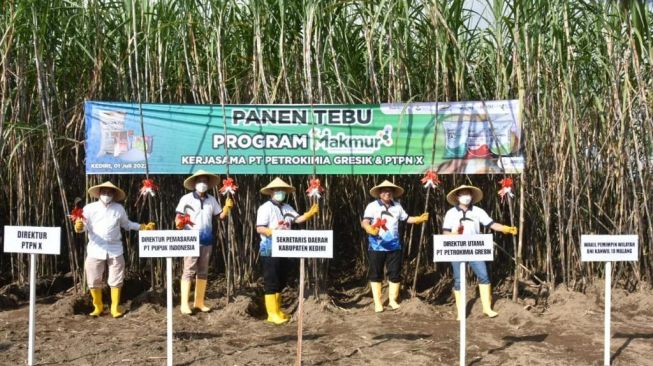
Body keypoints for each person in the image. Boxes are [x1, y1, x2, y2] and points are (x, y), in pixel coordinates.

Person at [74, 181, 155, 318]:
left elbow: (126, 224)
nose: (106, 195)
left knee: (116, 279)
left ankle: (115, 307)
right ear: (99, 193)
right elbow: (84, 226)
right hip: (95, 248)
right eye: (104, 192)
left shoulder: (119, 209)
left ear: (114, 194)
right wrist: (79, 227)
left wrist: (141, 227)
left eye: (109, 192)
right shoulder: (89, 208)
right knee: (93, 279)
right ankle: (98, 306)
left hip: (115, 248)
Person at [442, 184, 518, 320]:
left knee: (483, 276)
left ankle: (487, 308)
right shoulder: (451, 213)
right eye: (463, 194)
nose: (466, 197)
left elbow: (491, 224)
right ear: (458, 197)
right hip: (456, 249)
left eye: (468, 194)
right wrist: (453, 234)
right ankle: (460, 312)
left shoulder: (478, 211)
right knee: (459, 280)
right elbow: (445, 231)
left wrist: (505, 228)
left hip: (475, 249)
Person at [256, 177, 319, 325]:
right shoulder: (265, 208)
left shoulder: (287, 207)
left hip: (285, 248)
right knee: (271, 280)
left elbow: (297, 219)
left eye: (283, 191)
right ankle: (271, 314)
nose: (280, 193)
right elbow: (259, 227)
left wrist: (309, 213)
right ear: (271, 192)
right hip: (270, 248)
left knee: (281, 280)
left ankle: (277, 310)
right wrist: (273, 232)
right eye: (278, 190)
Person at [360, 180, 429, 313]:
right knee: (376, 273)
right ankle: (378, 303)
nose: (387, 193)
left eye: (390, 191)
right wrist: (368, 228)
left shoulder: (397, 206)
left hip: (394, 246)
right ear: (380, 193)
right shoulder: (372, 206)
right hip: (376, 246)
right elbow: (365, 221)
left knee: (395, 273)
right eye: (384, 190)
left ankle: (392, 300)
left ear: (393, 193)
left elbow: (407, 218)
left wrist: (419, 219)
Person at [175, 170, 233, 315]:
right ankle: (184, 304)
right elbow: (178, 219)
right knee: (188, 270)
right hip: (190, 240)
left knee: (203, 271)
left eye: (205, 181)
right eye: (200, 181)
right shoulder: (186, 199)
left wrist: (227, 207)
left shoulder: (212, 200)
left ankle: (199, 302)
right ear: (194, 183)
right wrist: (180, 223)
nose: (203, 184)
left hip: (207, 240)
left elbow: (221, 216)